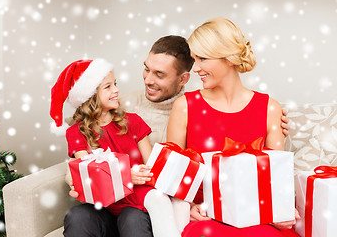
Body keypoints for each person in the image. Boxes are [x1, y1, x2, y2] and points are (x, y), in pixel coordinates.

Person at [166, 18, 300, 237]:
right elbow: (173, 177)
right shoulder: (184, 107)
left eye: (203, 58)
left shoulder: (270, 109)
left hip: (257, 218)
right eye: (194, 59)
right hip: (208, 217)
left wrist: (282, 212)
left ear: (229, 58)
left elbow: (275, 179)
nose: (196, 68)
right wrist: (187, 207)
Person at [50, 58, 189, 237]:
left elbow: (151, 168)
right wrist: (126, 176)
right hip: (104, 206)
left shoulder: (133, 122)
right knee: (77, 216)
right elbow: (91, 173)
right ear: (89, 95)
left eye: (115, 84)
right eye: (107, 87)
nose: (116, 90)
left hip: (135, 205)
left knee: (133, 218)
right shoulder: (76, 133)